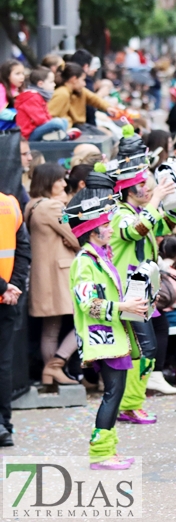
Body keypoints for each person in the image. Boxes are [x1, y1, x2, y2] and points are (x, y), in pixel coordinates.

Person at [66, 164, 145, 469]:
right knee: (112, 394)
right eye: (107, 225)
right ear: (93, 230)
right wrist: (123, 307)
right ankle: (100, 454)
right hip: (104, 337)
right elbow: (89, 304)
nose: (111, 229)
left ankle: (107, 450)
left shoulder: (100, 257)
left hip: (115, 335)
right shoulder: (84, 262)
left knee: (115, 392)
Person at [108, 125, 176, 423]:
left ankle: (130, 402)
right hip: (127, 292)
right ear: (127, 187)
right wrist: (155, 200)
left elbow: (162, 226)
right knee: (144, 349)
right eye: (142, 184)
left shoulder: (138, 210)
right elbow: (135, 231)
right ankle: (128, 404)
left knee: (145, 349)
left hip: (142, 291)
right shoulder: (120, 213)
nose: (147, 188)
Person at [24, 163, 80, 387]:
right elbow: (76, 237)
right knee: (87, 320)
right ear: (49, 182)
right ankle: (56, 364)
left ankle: (51, 375)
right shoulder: (53, 208)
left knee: (51, 328)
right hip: (59, 274)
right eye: (60, 180)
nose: (65, 184)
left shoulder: (33, 205)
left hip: (43, 274)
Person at [0, 187, 29, 448]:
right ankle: (4, 425)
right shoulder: (9, 204)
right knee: (3, 365)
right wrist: (12, 287)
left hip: (5, 293)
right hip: (6, 300)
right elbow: (23, 250)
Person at [47, 63, 113, 127]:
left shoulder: (80, 90)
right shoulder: (62, 93)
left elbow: (93, 98)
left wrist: (107, 107)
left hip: (80, 126)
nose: (84, 84)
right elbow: (50, 115)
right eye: (83, 80)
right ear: (74, 79)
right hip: (73, 127)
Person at [15, 67, 71, 141]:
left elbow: (46, 114)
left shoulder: (39, 96)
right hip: (28, 135)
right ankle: (62, 136)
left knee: (64, 121)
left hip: (36, 129)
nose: (54, 84)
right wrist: (51, 123)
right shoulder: (32, 97)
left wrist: (50, 122)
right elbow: (40, 120)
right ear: (40, 84)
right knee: (57, 122)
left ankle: (59, 135)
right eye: (51, 82)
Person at [0, 59, 25, 130]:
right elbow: (1, 111)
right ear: (7, 75)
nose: (22, 77)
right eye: (17, 74)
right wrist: (16, 116)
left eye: (23, 73)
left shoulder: (19, 89)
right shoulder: (1, 89)